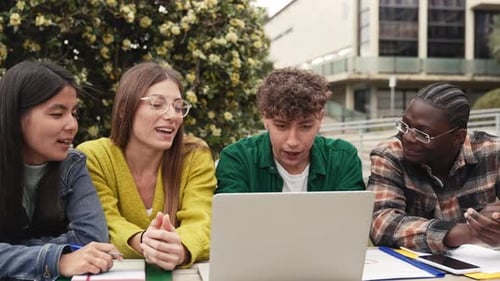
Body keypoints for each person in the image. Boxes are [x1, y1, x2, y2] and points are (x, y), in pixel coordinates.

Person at [77, 62, 216, 270]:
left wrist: (181, 248)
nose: (172, 116)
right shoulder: (94, 156)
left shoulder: (195, 154)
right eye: (157, 104)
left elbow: (202, 220)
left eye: (178, 107)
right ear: (125, 109)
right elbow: (105, 222)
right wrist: (142, 241)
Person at [0, 61, 120, 280]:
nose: (72, 125)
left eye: (73, 113)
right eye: (57, 114)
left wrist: (11, 250)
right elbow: (77, 248)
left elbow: (92, 239)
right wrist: (56, 258)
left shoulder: (72, 165)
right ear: (15, 118)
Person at [368, 82, 500, 253]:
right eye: (405, 125)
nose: (408, 137)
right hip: (415, 271)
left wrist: (494, 222)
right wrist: (470, 232)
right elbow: (381, 224)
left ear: (458, 137)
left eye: (423, 134)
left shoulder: (492, 152)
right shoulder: (390, 154)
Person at [215, 67, 365, 193]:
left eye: (305, 127)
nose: (292, 141)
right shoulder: (238, 159)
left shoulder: (343, 159)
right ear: (265, 118)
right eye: (281, 126)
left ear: (320, 118)